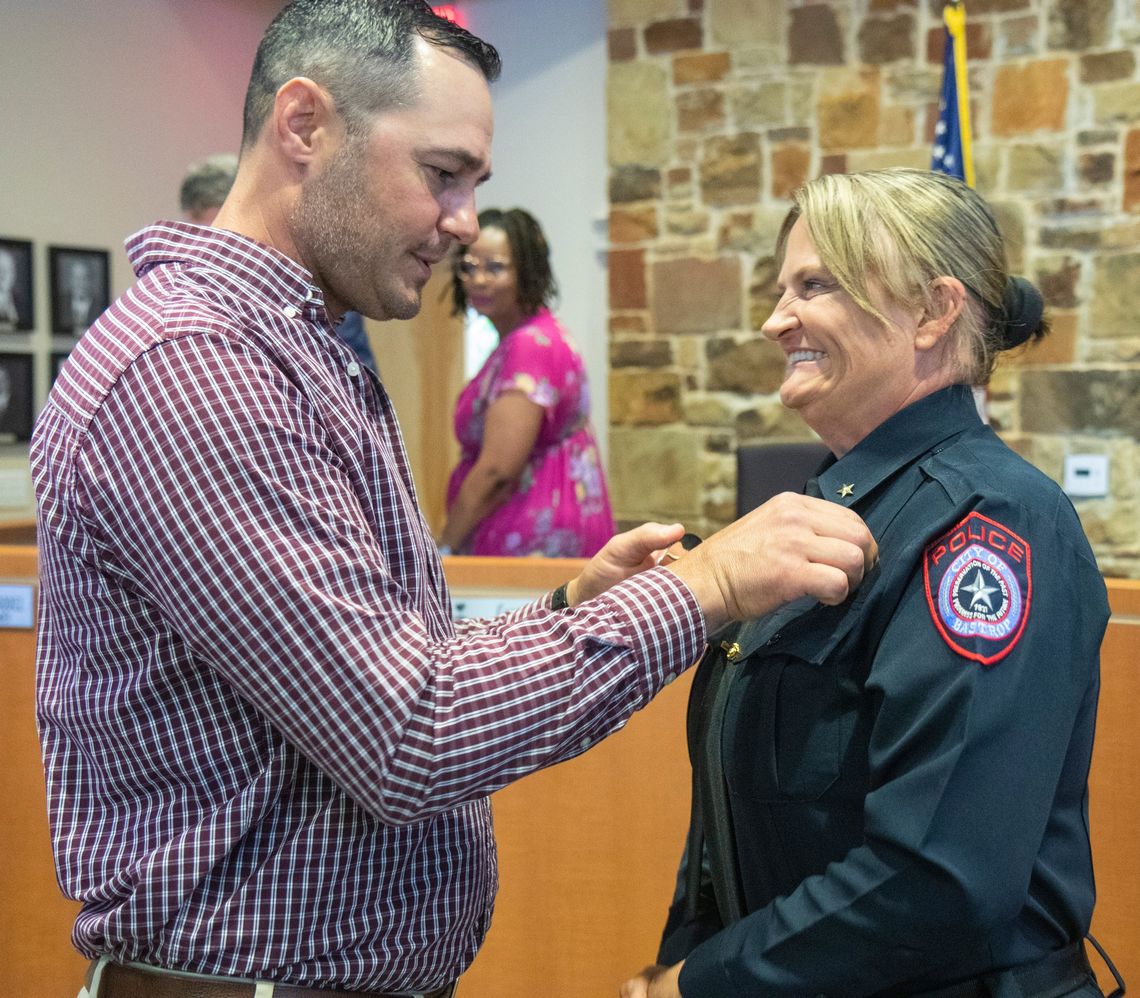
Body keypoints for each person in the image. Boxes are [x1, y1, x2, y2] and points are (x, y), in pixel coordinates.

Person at [31, 3, 876, 997]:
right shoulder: (197, 371)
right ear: (304, 126)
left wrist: (572, 611)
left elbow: (382, 660)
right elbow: (408, 731)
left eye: (474, 184)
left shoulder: (296, 348)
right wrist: (707, 586)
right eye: (441, 173)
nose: (465, 220)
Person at [621, 168, 1115, 998]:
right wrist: (684, 957)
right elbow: (738, 804)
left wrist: (701, 984)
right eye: (782, 288)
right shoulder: (819, 508)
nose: (777, 320)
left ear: (932, 311)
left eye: (815, 286)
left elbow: (941, 877)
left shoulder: (986, 525)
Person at [438, 207, 613, 557]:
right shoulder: (536, 335)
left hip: (533, 540)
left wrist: (443, 546)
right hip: (552, 526)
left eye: (495, 268)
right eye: (469, 267)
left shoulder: (528, 346)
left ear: (527, 271)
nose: (479, 280)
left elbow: (498, 472)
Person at [180, 151, 379, 373]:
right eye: (203, 235)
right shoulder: (191, 291)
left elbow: (357, 379)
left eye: (226, 233)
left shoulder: (317, 280)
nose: (217, 248)